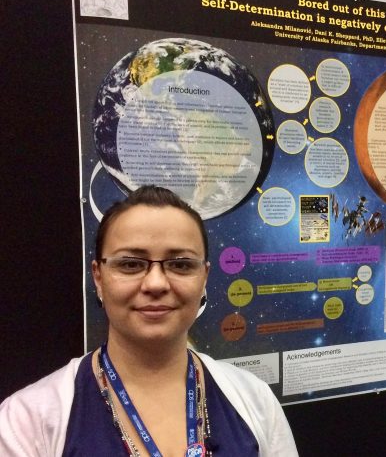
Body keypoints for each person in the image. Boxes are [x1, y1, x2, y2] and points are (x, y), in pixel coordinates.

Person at [0, 185, 298, 456]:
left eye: (180, 264)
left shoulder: (256, 401)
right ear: (98, 277)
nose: (156, 283)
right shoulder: (27, 421)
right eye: (131, 264)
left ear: (204, 277)